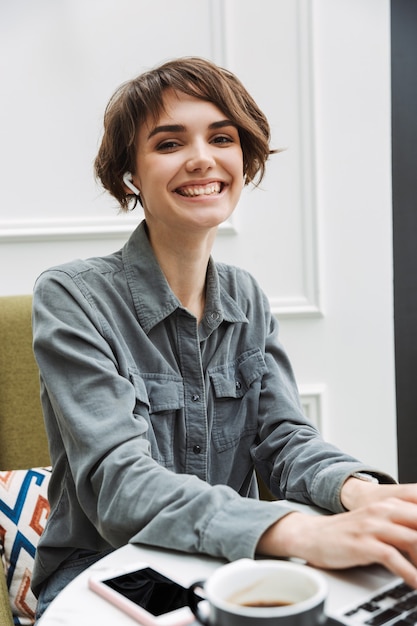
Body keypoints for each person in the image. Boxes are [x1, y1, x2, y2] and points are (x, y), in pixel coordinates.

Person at [32, 56, 417, 621]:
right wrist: (298, 533)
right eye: (169, 143)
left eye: (222, 137)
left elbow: (284, 440)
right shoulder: (72, 297)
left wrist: (359, 491)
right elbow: (120, 484)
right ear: (130, 175)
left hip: (232, 561)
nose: (202, 159)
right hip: (106, 572)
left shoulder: (248, 297)